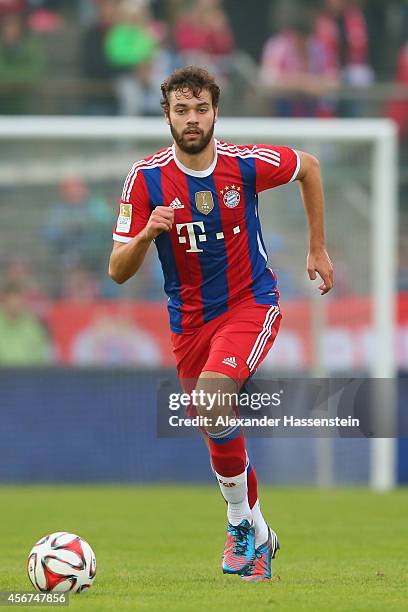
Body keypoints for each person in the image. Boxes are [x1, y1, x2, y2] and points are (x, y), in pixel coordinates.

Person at [108, 65, 333, 582]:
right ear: (166, 114)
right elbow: (117, 271)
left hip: (251, 302)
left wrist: (317, 245)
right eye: (181, 110)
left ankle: (237, 525)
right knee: (215, 420)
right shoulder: (144, 180)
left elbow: (310, 167)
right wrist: (145, 234)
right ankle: (258, 530)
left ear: (216, 112)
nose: (192, 120)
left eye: (201, 109)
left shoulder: (244, 164)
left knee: (213, 395)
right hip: (188, 322)